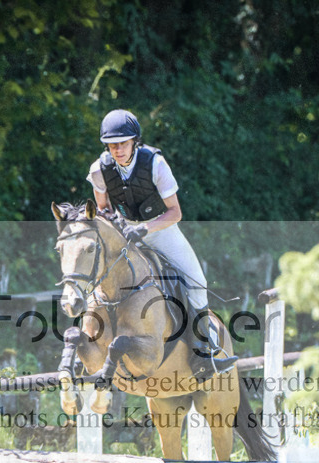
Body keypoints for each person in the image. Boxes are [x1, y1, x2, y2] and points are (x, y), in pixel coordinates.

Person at [86, 109, 237, 380]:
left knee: (197, 281)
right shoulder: (100, 169)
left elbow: (175, 212)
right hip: (124, 233)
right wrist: (118, 228)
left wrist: (144, 228)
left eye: (122, 143)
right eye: (112, 145)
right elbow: (102, 208)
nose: (117, 149)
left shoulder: (155, 164)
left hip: (161, 229)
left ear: (134, 141)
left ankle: (206, 349)